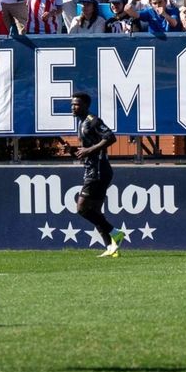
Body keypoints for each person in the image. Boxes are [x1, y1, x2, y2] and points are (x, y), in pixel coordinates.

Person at [66, 93, 126, 258]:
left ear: (85, 105)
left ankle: (115, 232)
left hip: (98, 170)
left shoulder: (93, 120)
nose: (73, 107)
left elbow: (110, 137)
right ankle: (110, 247)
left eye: (76, 104)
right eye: (72, 104)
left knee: (82, 209)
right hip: (93, 169)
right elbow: (89, 147)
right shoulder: (81, 123)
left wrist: (88, 150)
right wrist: (77, 151)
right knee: (95, 211)